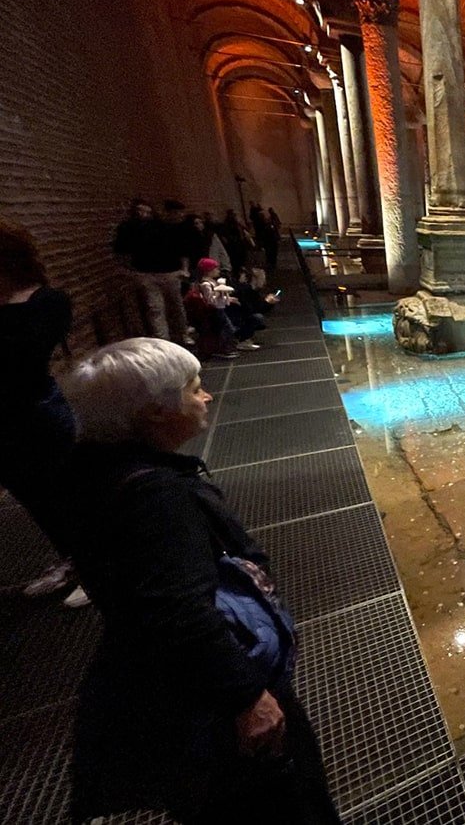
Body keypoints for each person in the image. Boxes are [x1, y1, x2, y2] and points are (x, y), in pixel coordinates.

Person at [61, 338, 340, 824]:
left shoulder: (92, 471)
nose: (207, 396)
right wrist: (246, 696)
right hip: (214, 698)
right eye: (194, 389)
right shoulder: (155, 498)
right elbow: (178, 610)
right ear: (153, 413)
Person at [0, 218, 88, 607]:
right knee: (35, 499)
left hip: (35, 411)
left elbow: (22, 359)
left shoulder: (45, 301)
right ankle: (73, 561)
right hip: (4, 417)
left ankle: (98, 566)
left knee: (66, 492)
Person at [113, 198, 193, 343]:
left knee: (176, 306)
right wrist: (130, 270)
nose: (144, 214)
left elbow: (181, 249)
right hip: (146, 274)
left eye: (147, 211)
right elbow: (121, 252)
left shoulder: (163, 227)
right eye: (140, 211)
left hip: (169, 272)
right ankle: (163, 341)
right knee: (155, 309)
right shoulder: (128, 229)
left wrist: (184, 269)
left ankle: (181, 333)